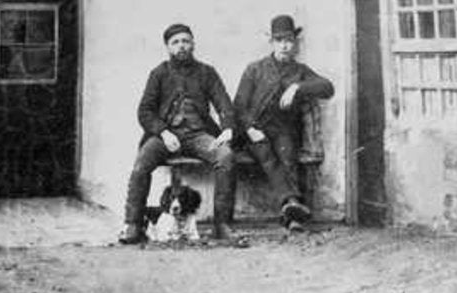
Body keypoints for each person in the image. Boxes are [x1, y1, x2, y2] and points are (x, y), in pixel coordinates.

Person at [119, 23, 238, 244]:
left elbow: (224, 104)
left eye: (185, 41)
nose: (181, 46)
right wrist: (163, 132)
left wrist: (228, 128)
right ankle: (133, 225)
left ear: (193, 44)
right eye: (175, 42)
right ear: (168, 47)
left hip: (198, 135)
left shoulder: (207, 72)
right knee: (141, 164)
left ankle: (222, 225)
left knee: (226, 157)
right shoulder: (159, 73)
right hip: (165, 136)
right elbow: (144, 111)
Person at [234, 14, 334, 232]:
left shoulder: (300, 71)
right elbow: (239, 106)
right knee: (266, 154)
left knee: (287, 154)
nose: (285, 46)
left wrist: (297, 87)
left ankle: (292, 214)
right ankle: (292, 203)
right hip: (254, 131)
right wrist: (250, 129)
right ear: (271, 42)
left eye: (289, 40)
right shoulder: (255, 69)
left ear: (295, 43)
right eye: (279, 40)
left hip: (283, 130)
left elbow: (327, 87)